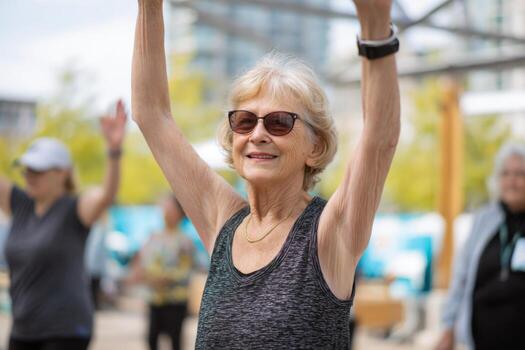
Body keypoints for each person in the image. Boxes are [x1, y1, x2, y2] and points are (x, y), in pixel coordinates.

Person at [132, 0, 400, 347]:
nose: (258, 133)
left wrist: (376, 24)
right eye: (245, 121)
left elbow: (379, 140)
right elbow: (151, 114)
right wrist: (149, 7)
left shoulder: (328, 233)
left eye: (279, 122)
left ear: (315, 147)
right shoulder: (223, 222)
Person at [0, 101, 127, 350]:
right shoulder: (21, 204)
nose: (29, 175)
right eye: (27, 169)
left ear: (62, 173)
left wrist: (114, 151)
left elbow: (106, 196)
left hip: (65, 331)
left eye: (38, 169)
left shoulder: (74, 209)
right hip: (24, 329)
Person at [435, 143, 525, 350]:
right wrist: (448, 326)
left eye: (520, 174)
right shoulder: (483, 220)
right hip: (482, 338)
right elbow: (461, 276)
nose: (512, 181)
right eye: (505, 174)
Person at [128, 195, 197, 350]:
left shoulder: (185, 241)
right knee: (152, 339)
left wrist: (163, 279)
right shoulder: (153, 236)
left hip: (175, 300)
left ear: (179, 213)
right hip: (154, 299)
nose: (165, 211)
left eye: (169, 208)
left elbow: (186, 272)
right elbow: (142, 261)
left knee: (175, 340)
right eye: (164, 207)